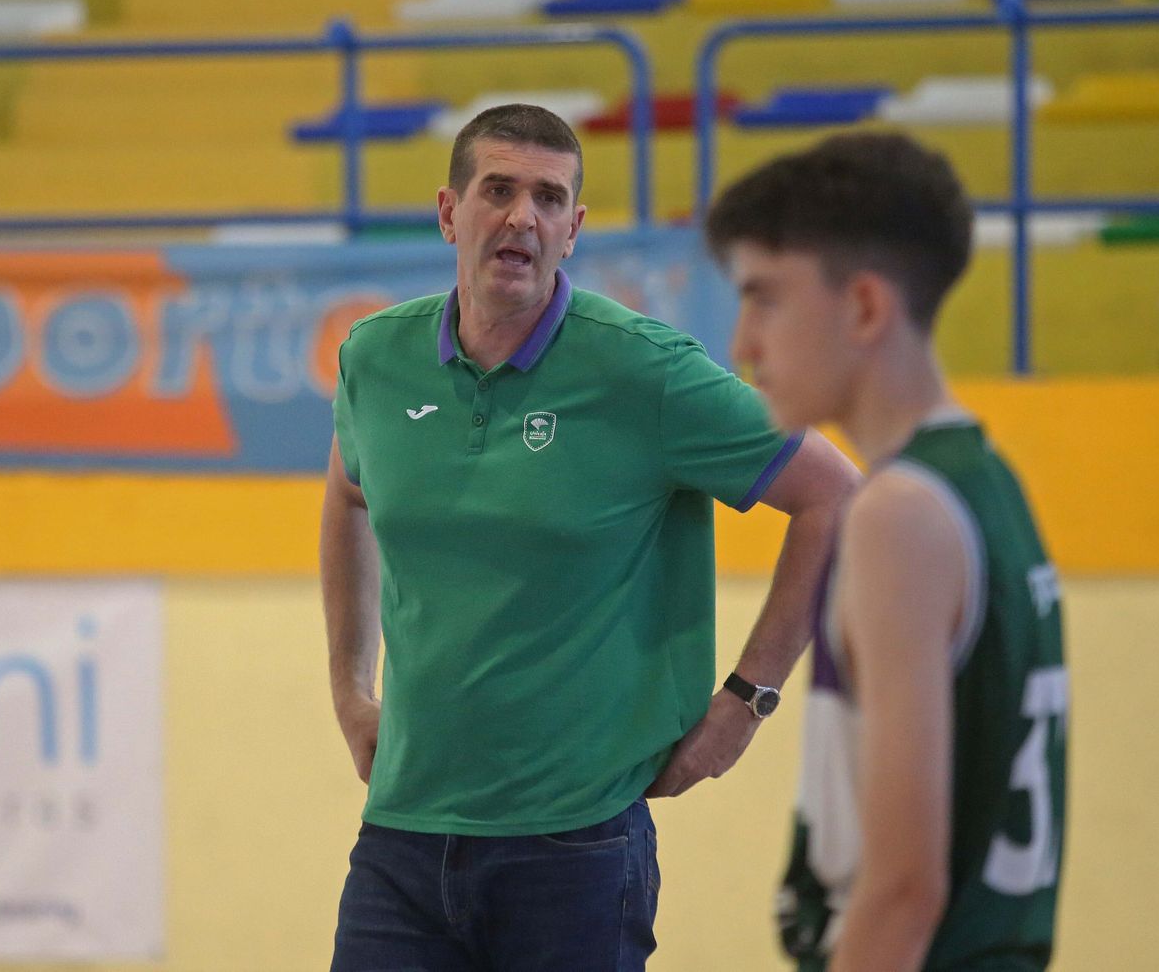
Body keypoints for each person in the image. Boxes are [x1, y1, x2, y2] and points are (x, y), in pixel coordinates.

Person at [320, 103, 859, 970]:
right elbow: (349, 493)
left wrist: (746, 704)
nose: (521, 217)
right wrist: (350, 686)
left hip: (575, 849)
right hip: (403, 835)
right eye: (497, 190)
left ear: (573, 231)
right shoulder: (374, 358)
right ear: (449, 211)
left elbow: (837, 498)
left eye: (548, 198)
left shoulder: (643, 371)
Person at [707, 132, 1069, 972]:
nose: (743, 344)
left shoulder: (896, 516)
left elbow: (903, 890)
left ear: (865, 308)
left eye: (765, 299)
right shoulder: (987, 481)